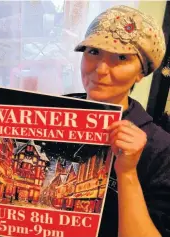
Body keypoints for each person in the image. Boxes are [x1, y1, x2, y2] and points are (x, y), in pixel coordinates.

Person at [69, 5, 170, 237]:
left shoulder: (161, 149)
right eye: (93, 52)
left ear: (141, 73)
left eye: (122, 57)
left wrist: (127, 173)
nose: (101, 69)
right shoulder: (48, 112)